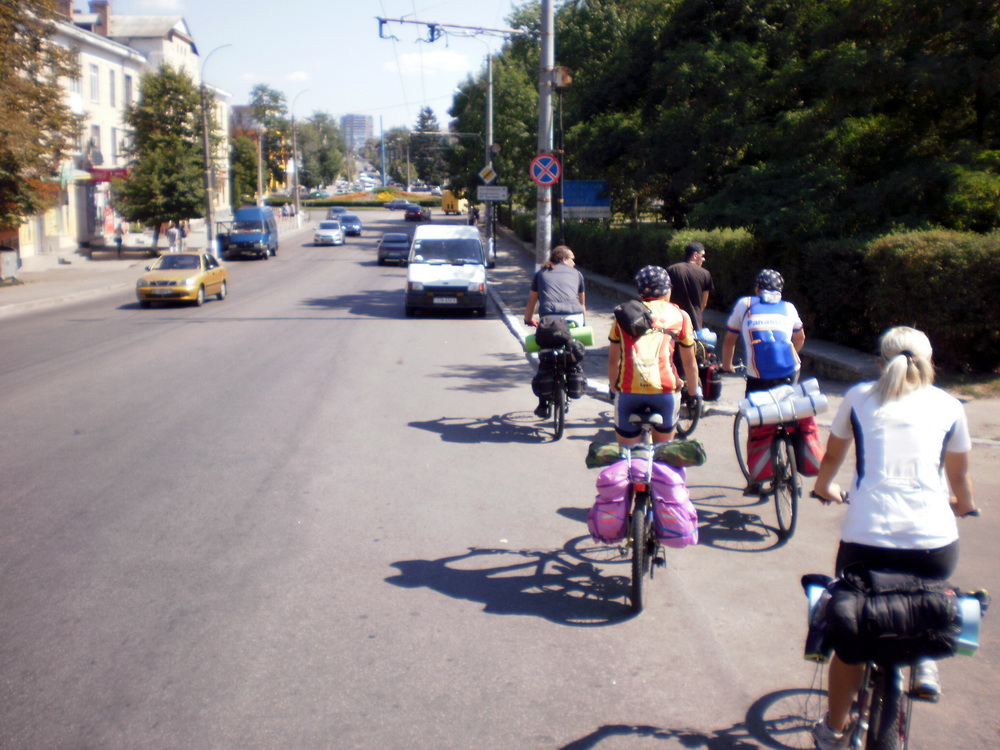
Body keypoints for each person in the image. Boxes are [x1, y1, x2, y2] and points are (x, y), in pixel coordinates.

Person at [810, 326, 976, 750]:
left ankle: (833, 730)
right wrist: (962, 505)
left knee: (850, 635)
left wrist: (824, 488)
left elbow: (832, 456)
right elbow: (959, 478)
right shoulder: (949, 405)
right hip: (933, 545)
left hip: (866, 542)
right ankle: (924, 663)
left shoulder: (858, 397)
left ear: (881, 362)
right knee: (926, 596)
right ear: (930, 362)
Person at [608, 265, 700, 446]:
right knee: (662, 453)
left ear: (640, 291)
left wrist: (613, 389)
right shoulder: (680, 316)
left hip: (629, 391)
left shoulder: (624, 315)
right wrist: (692, 393)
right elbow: (690, 363)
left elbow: (613, 361)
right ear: (668, 290)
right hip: (665, 390)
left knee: (627, 455)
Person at [524, 246, 587, 417]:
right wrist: (582, 325)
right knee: (573, 354)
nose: (574, 263)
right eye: (572, 259)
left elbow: (532, 301)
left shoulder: (541, 274)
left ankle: (543, 404)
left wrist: (528, 319)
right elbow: (582, 304)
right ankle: (572, 376)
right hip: (574, 318)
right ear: (564, 259)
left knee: (546, 357)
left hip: (550, 320)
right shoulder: (578, 274)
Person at [721, 268, 804, 394]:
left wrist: (727, 366)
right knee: (786, 404)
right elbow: (800, 338)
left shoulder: (745, 304)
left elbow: (729, 341)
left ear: (757, 289)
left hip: (758, 374)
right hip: (789, 369)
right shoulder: (789, 307)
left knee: (754, 406)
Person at [667, 241, 713, 332]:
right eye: (702, 255)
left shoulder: (671, 270)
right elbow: (703, 303)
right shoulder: (705, 274)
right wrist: (696, 314)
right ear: (695, 255)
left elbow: (666, 297)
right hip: (694, 323)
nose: (704, 259)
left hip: (673, 320)